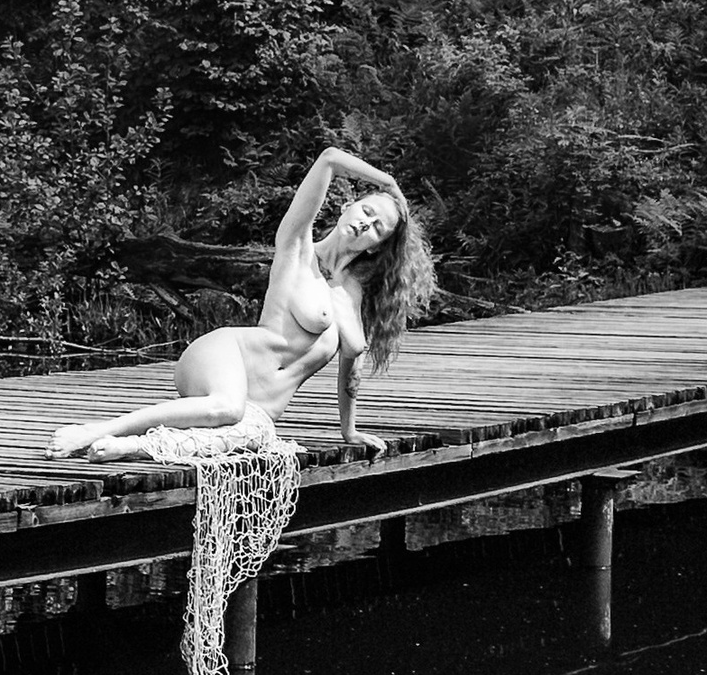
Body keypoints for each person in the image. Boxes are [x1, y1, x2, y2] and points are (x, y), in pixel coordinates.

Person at [47, 147, 436, 462]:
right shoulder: (297, 247)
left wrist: (349, 431)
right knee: (229, 408)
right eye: (366, 210)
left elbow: (351, 370)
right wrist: (387, 182)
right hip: (223, 355)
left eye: (378, 227)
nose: (366, 224)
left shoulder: (351, 294)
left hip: (257, 408)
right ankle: (101, 429)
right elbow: (329, 159)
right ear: (347, 206)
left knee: (252, 433)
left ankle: (134, 447)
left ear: (378, 247)